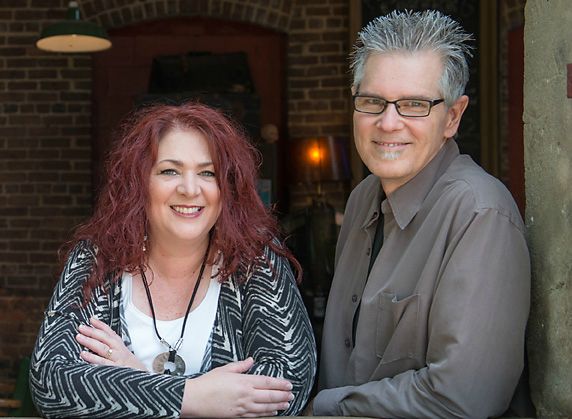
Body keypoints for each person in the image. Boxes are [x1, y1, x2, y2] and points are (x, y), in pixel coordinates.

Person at [30, 102, 316, 418]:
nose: (190, 189)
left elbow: (288, 385)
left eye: (208, 173)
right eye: (170, 171)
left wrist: (137, 380)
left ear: (227, 187)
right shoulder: (97, 257)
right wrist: (192, 397)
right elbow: (50, 381)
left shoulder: (255, 258)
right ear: (139, 182)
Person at [310, 9, 531, 418]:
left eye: (414, 104)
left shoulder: (479, 213)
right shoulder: (361, 199)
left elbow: (463, 398)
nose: (388, 122)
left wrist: (322, 410)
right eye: (372, 101)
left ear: (452, 117)